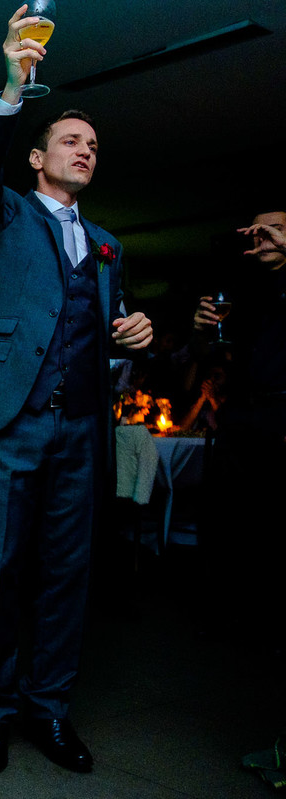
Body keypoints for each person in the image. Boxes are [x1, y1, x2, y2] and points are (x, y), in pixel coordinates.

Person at [0, 5, 153, 776]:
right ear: (37, 156)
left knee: (67, 571)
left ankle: (49, 709)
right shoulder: (3, 213)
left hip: (83, 427)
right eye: (70, 140)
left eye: (93, 145)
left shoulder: (108, 245)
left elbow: (100, 324)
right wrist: (11, 87)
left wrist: (133, 334)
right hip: (9, 422)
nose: (85, 150)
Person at [191, 210, 286, 634]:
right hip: (243, 417)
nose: (264, 235)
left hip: (280, 415)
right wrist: (201, 330)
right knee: (233, 516)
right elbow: (218, 358)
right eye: (259, 229)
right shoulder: (248, 290)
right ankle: (234, 611)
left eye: (277, 228)